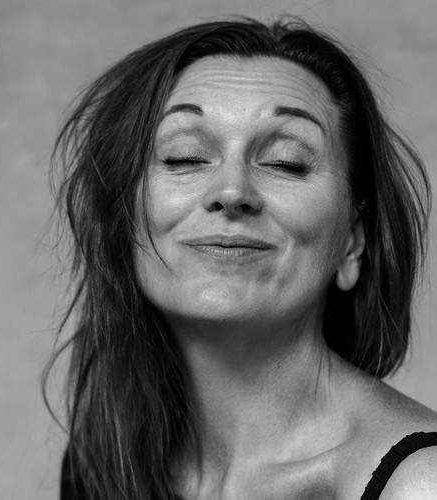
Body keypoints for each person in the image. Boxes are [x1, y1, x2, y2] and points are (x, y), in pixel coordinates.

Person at [43, 15, 437, 500]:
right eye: (185, 156)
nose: (231, 191)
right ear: (123, 220)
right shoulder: (103, 464)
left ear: (353, 241)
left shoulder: (419, 483)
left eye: (285, 162)